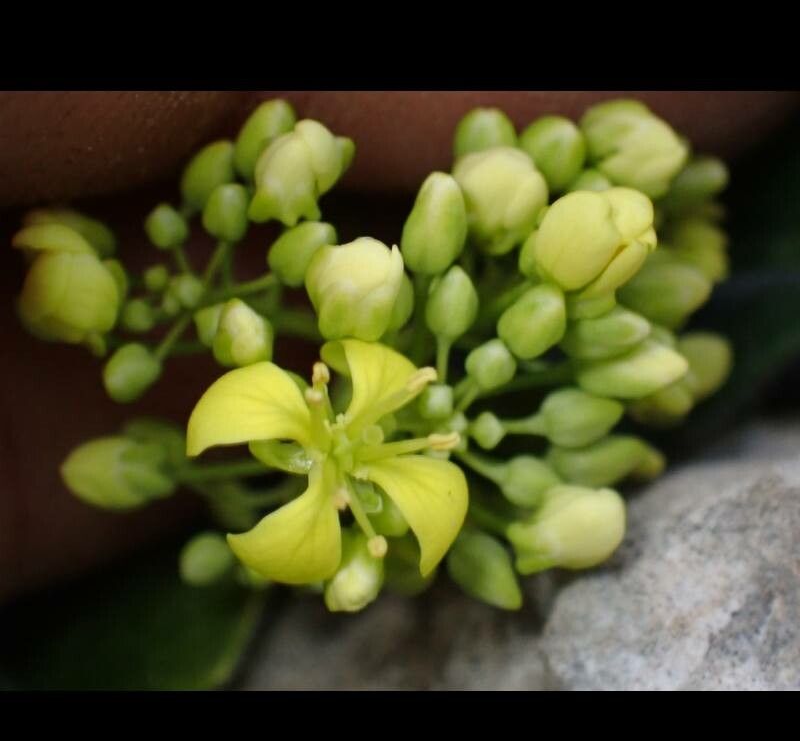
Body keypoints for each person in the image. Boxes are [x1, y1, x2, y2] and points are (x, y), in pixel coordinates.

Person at [0, 90, 795, 597]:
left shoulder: (388, 394)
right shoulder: (339, 370)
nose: (348, 439)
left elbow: (380, 367)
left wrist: (529, 532)